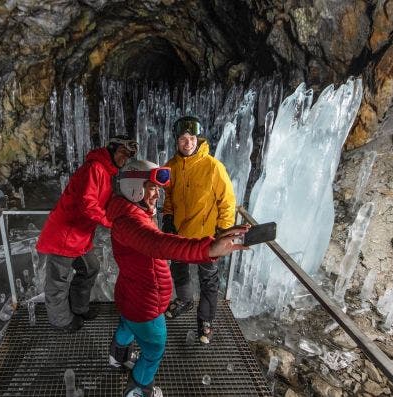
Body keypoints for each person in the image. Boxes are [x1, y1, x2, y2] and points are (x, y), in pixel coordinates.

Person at [107, 159, 249, 397]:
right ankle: (139, 388)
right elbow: (160, 244)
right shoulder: (130, 221)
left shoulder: (129, 211)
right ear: (134, 187)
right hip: (145, 304)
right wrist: (209, 249)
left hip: (131, 294)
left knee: (127, 325)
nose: (157, 195)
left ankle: (116, 357)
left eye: (158, 189)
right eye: (151, 187)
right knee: (154, 349)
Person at [36, 135, 139, 332]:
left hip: (79, 235)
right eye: (122, 153)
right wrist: (111, 222)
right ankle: (61, 321)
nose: (124, 159)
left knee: (91, 267)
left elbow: (104, 201)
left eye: (128, 156)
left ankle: (78, 307)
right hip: (64, 235)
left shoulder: (106, 172)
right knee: (58, 280)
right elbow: (88, 204)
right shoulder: (95, 168)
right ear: (112, 149)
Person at [162, 115, 236, 344]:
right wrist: (167, 218)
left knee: (209, 279)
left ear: (198, 139)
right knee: (180, 271)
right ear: (177, 141)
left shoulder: (213, 167)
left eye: (192, 138)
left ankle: (206, 320)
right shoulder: (171, 167)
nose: (188, 143)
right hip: (180, 236)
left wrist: (223, 231)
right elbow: (168, 198)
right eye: (183, 138)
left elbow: (227, 201)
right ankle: (185, 300)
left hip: (206, 238)